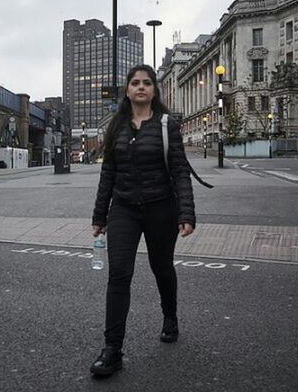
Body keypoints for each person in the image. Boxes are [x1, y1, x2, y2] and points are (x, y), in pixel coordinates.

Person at [89, 64, 196, 377]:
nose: (140, 87)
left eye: (147, 83)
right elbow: (108, 172)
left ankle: (170, 317)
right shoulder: (116, 126)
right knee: (119, 274)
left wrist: (186, 213)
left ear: (154, 90)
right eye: (135, 82)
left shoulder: (166, 125)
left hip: (161, 208)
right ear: (127, 89)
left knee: (161, 267)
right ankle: (112, 350)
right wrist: (99, 215)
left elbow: (179, 171)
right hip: (123, 208)